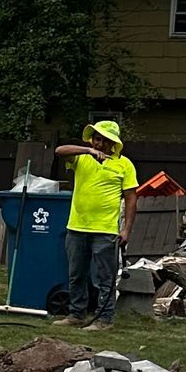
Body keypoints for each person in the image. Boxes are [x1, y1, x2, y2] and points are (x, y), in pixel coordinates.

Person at [51, 120, 139, 327]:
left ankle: (104, 319)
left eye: (105, 141)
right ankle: (76, 314)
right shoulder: (82, 158)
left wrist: (126, 229)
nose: (100, 144)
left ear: (113, 144)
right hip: (77, 226)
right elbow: (59, 150)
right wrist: (87, 150)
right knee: (76, 274)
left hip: (105, 230)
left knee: (105, 277)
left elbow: (131, 199)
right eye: (97, 139)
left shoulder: (124, 164)